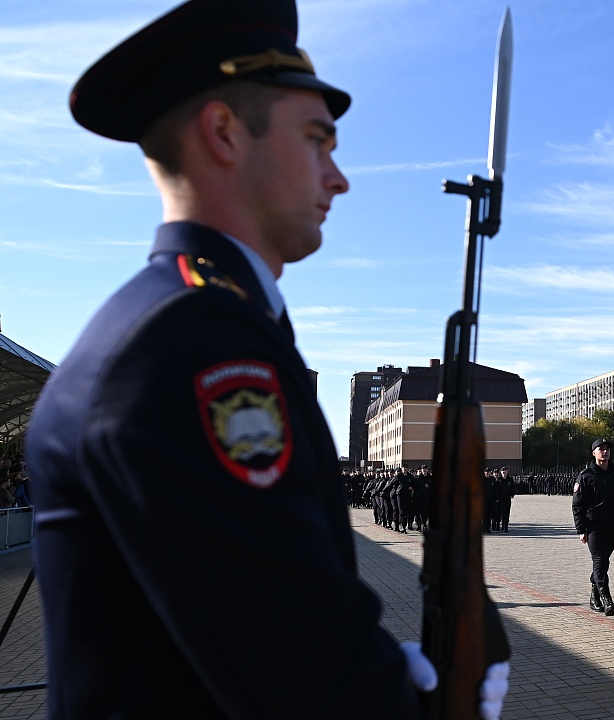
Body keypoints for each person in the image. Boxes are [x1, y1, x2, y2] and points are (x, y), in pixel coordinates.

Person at [22, 1, 508, 717]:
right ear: (223, 132)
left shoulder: (181, 318)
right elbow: (293, 663)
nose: (338, 177)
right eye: (317, 141)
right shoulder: (194, 344)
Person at [572, 438, 614, 616]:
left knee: (603, 562)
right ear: (593, 453)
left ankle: (594, 596)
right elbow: (577, 505)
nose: (605, 452)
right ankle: (606, 598)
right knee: (600, 560)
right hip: (593, 526)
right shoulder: (586, 475)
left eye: (607, 449)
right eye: (601, 449)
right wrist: (581, 529)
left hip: (611, 525)